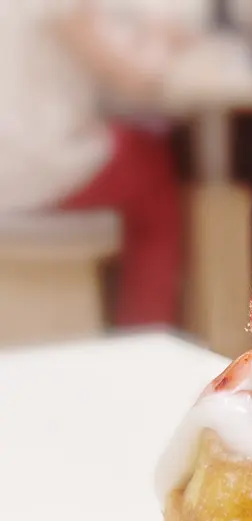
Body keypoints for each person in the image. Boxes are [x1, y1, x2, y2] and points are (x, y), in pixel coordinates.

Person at [0, 2, 190, 328]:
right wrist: (161, 39)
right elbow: (136, 79)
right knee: (151, 168)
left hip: (13, 162)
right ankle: (146, 333)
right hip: (33, 167)